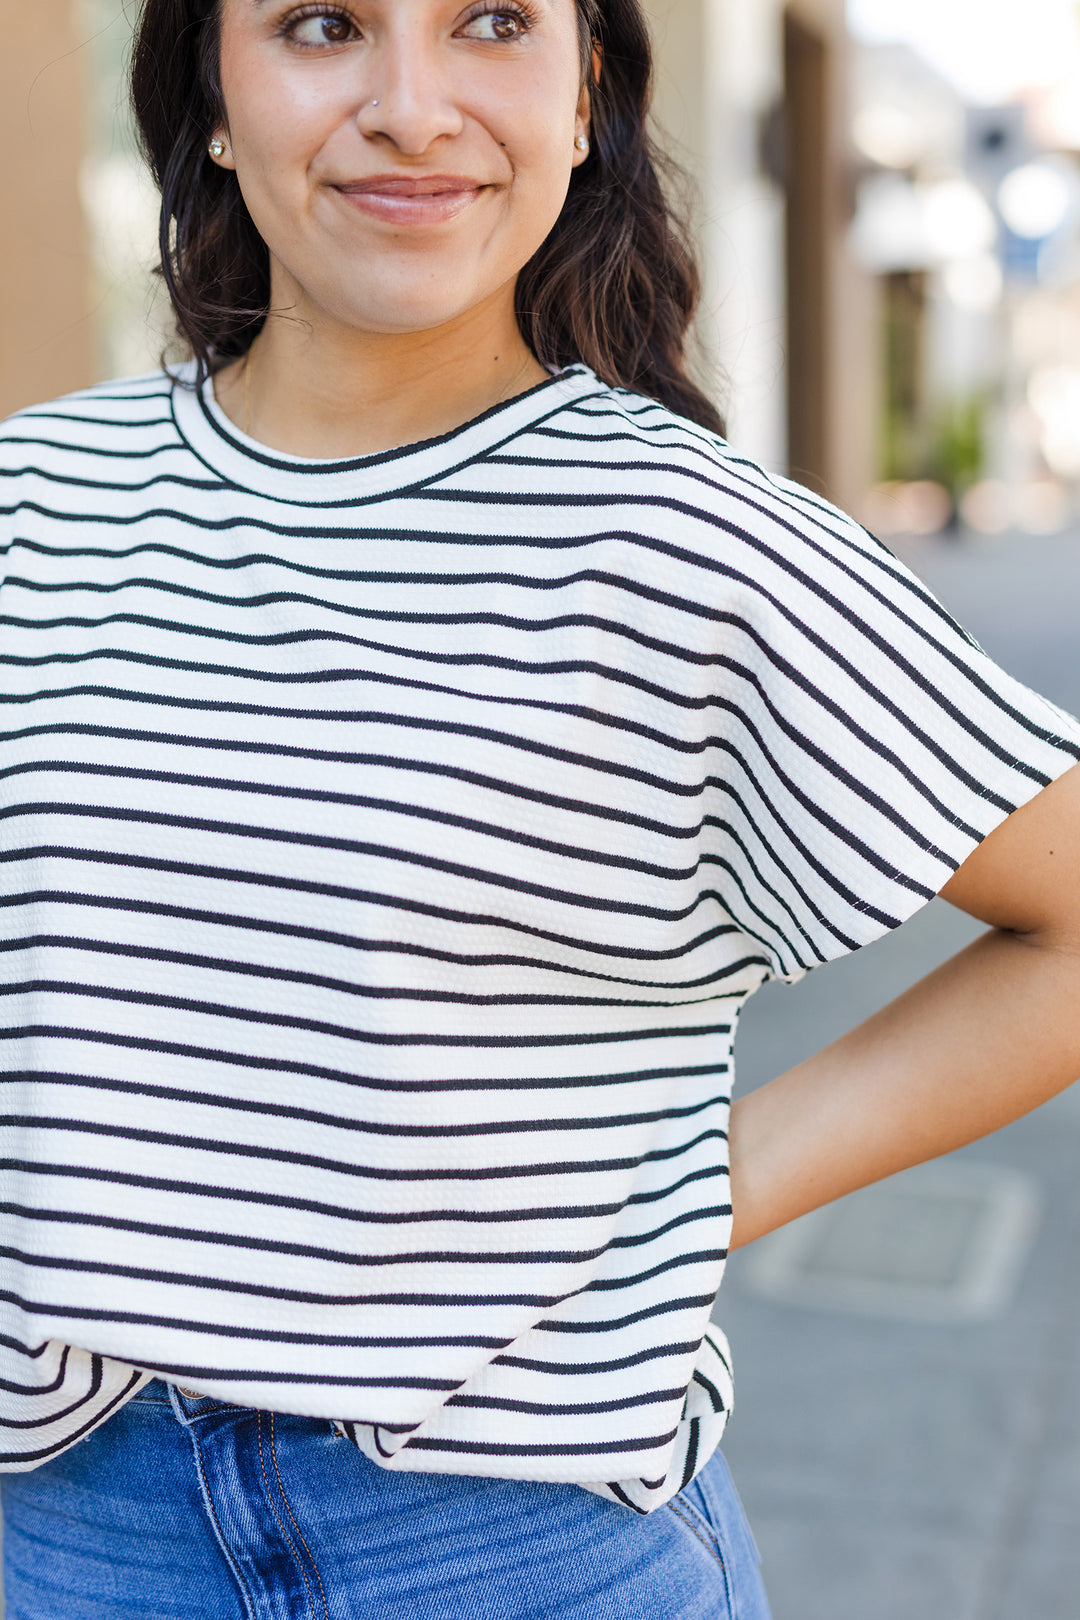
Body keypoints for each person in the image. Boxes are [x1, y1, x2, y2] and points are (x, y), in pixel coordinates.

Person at [0, 0, 1077, 1613]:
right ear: (210, 102)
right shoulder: (40, 504)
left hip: (514, 1544)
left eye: (491, 24)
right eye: (321, 27)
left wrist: (710, 1187)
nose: (412, 108)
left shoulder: (696, 546)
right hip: (67, 1535)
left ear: (582, 99)